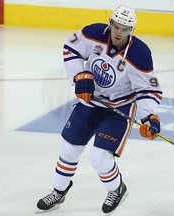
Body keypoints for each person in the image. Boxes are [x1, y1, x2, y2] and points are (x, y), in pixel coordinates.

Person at [36, 5, 162, 215]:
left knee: (99, 157)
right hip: (91, 100)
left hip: (119, 106)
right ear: (110, 23)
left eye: (124, 28)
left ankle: (116, 189)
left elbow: (147, 88)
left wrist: (149, 116)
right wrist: (80, 75)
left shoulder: (139, 54)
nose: (118, 32)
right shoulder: (94, 33)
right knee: (69, 148)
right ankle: (59, 190)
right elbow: (71, 48)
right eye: (116, 26)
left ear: (132, 30)